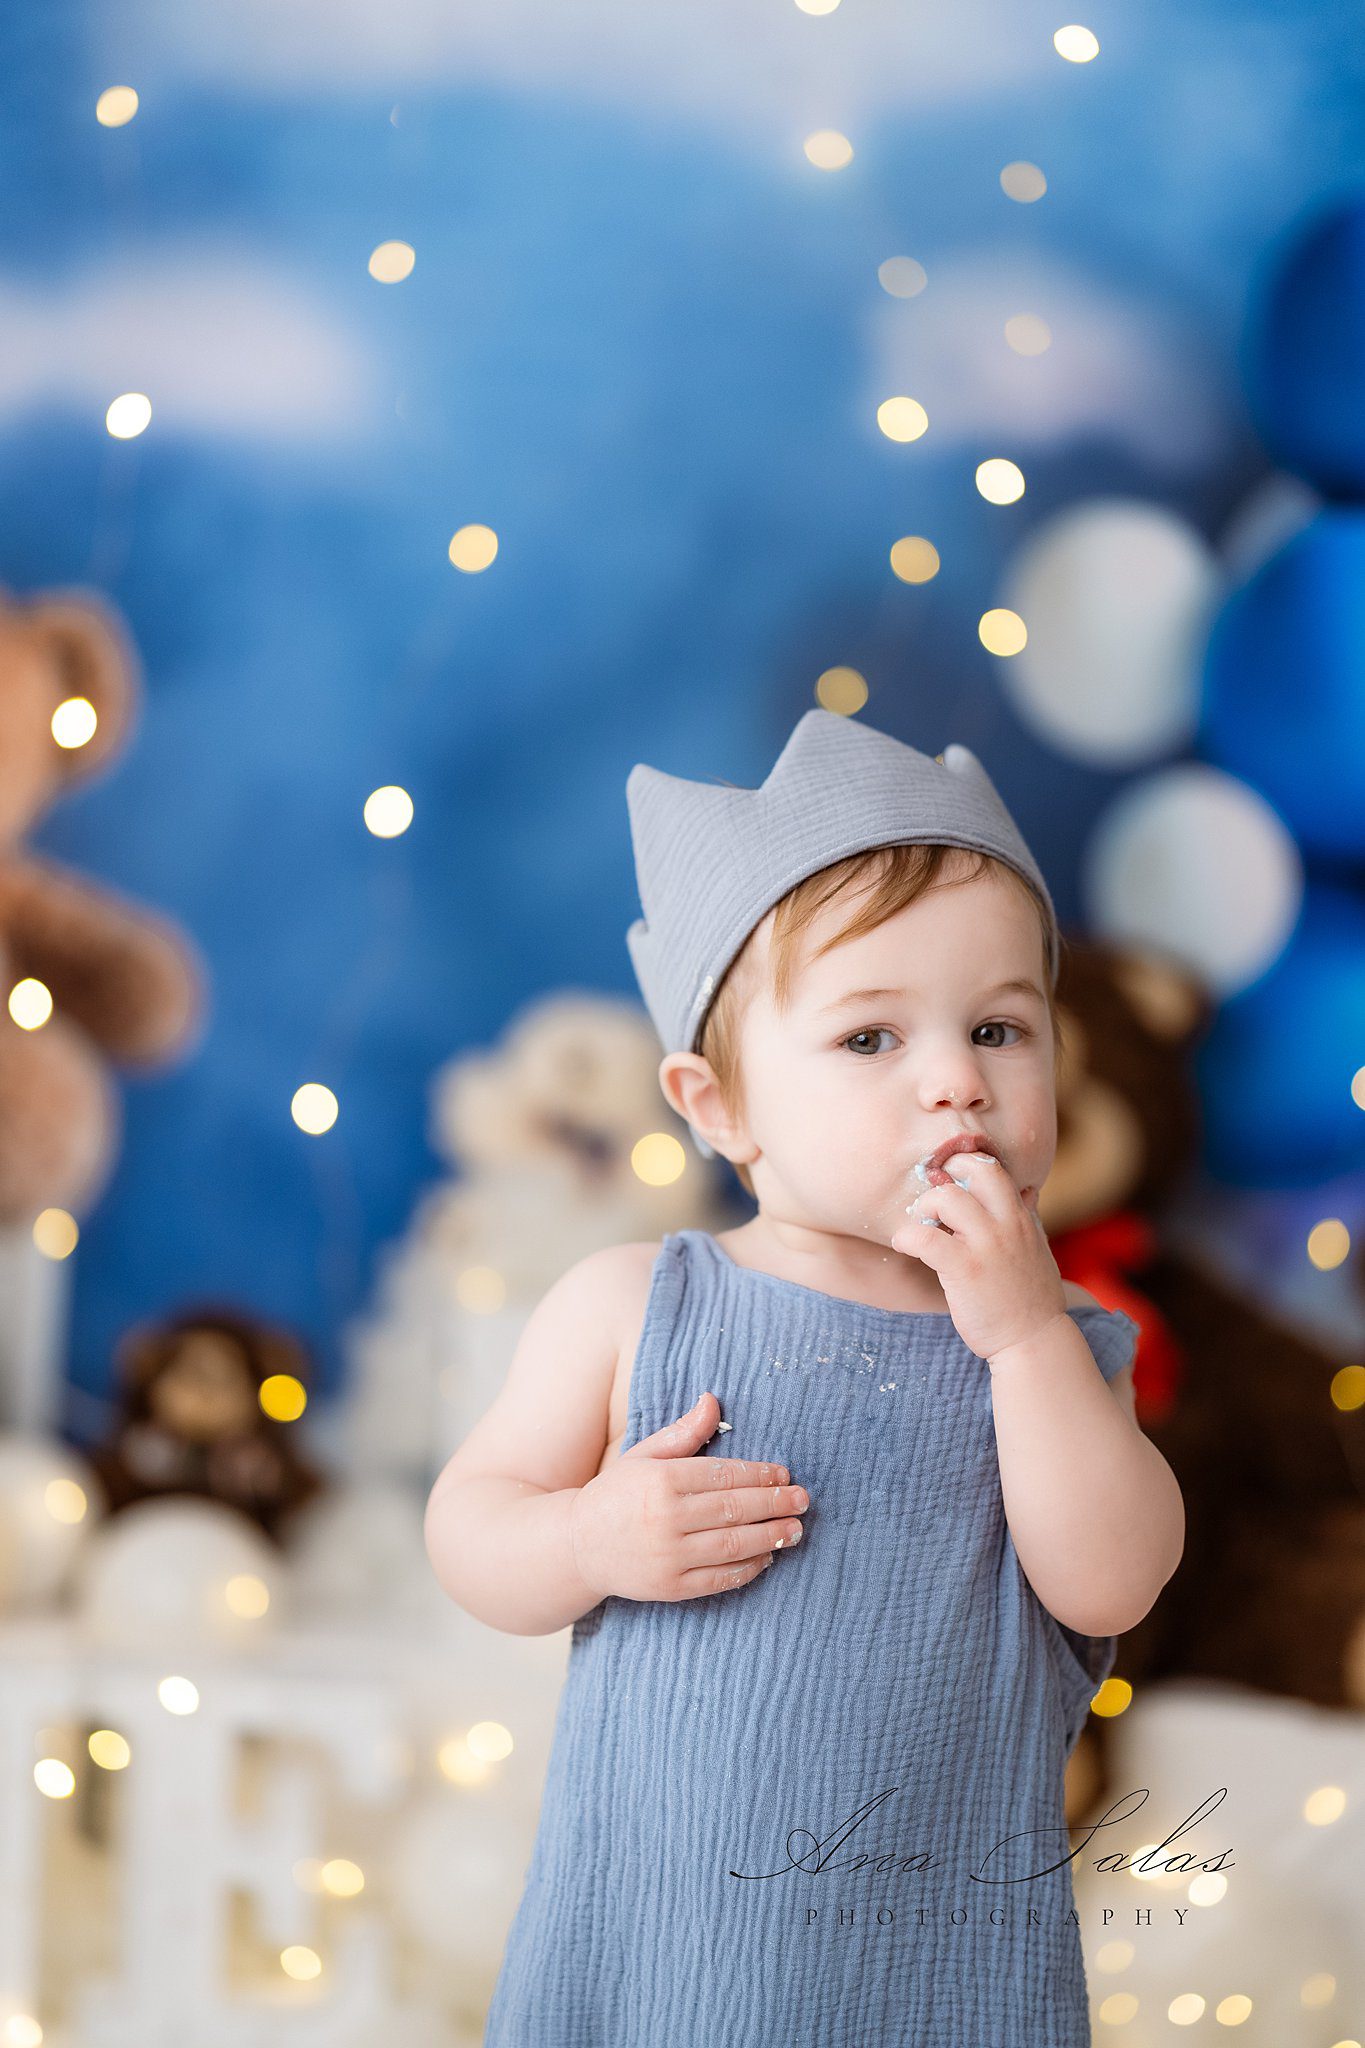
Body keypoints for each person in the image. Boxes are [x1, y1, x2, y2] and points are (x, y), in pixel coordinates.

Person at [424, 708, 1186, 2046]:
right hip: (660, 1955)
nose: (955, 1081)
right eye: (870, 1040)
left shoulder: (1056, 1343)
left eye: (1001, 1030)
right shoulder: (634, 1307)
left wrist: (1018, 1339)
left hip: (939, 1968)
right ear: (718, 1106)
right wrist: (587, 1531)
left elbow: (1111, 1578)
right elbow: (469, 1532)